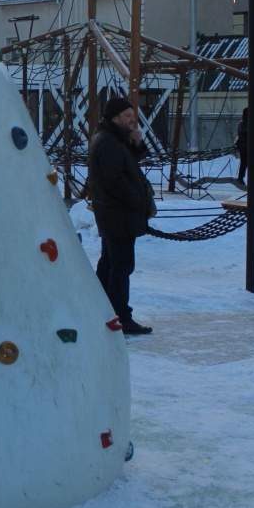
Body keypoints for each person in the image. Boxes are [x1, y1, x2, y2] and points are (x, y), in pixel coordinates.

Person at [87, 96, 154, 336]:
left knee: (110, 264)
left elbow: (125, 164)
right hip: (118, 214)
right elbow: (115, 179)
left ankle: (100, 310)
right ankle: (121, 318)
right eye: (127, 116)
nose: (132, 120)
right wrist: (136, 200)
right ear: (115, 117)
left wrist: (136, 145)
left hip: (115, 213)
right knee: (121, 267)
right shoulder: (107, 141)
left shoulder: (114, 138)